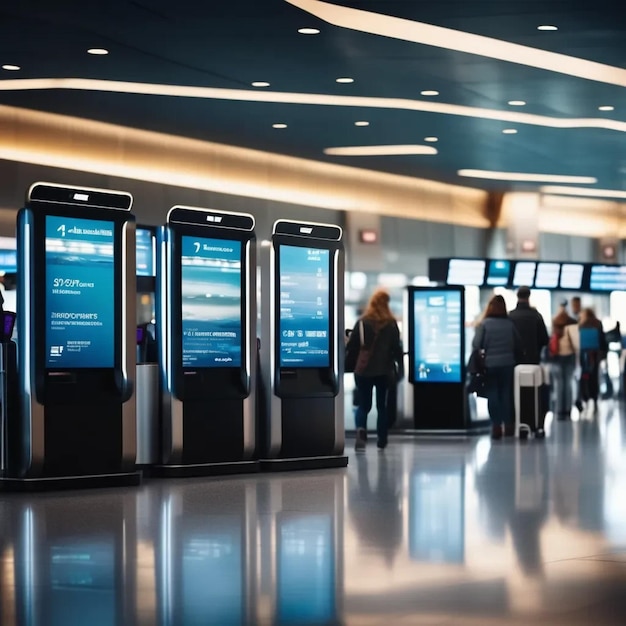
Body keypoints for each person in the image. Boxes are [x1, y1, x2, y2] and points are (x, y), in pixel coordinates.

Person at [346, 289, 403, 451]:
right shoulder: (391, 325)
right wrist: (400, 370)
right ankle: (382, 439)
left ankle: (360, 433)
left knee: (364, 405)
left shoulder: (362, 323)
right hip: (384, 371)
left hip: (363, 370)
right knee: (381, 406)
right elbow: (396, 350)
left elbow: (352, 347)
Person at [472, 294, 522, 439]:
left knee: (493, 394)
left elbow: (476, 344)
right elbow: (518, 343)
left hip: (491, 364)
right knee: (506, 394)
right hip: (508, 363)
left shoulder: (485, 324)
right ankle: (508, 425)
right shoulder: (510, 324)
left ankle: (496, 426)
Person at [575, 307, 607, 413]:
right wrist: (604, 354)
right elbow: (603, 339)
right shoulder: (598, 323)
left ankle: (585, 398)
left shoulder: (581, 324)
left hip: (584, 355)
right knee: (594, 377)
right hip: (595, 355)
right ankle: (595, 398)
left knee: (584, 377)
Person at [508, 286, 549, 364]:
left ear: (517, 296)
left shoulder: (510, 316)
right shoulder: (536, 316)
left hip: (514, 358)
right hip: (533, 358)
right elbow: (545, 340)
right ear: (529, 296)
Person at [551, 299, 577, 420]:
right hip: (570, 355)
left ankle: (559, 410)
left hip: (557, 356)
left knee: (559, 384)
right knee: (568, 383)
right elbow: (576, 342)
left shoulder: (555, 321)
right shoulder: (572, 321)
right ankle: (567, 409)